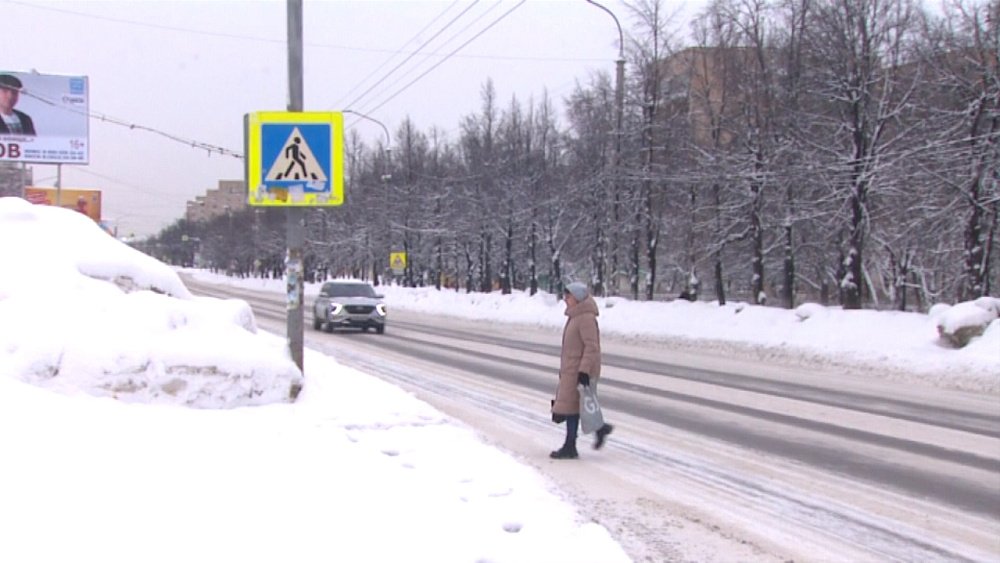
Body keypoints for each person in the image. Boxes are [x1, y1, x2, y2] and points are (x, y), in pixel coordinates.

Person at [549, 281, 614, 459]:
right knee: (576, 407)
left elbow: (592, 347)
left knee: (572, 408)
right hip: (572, 368)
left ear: (577, 298)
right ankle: (598, 430)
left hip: (579, 370)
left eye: (568, 296)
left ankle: (571, 446)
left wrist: (584, 371)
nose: (565, 299)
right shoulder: (576, 316)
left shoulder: (585, 318)